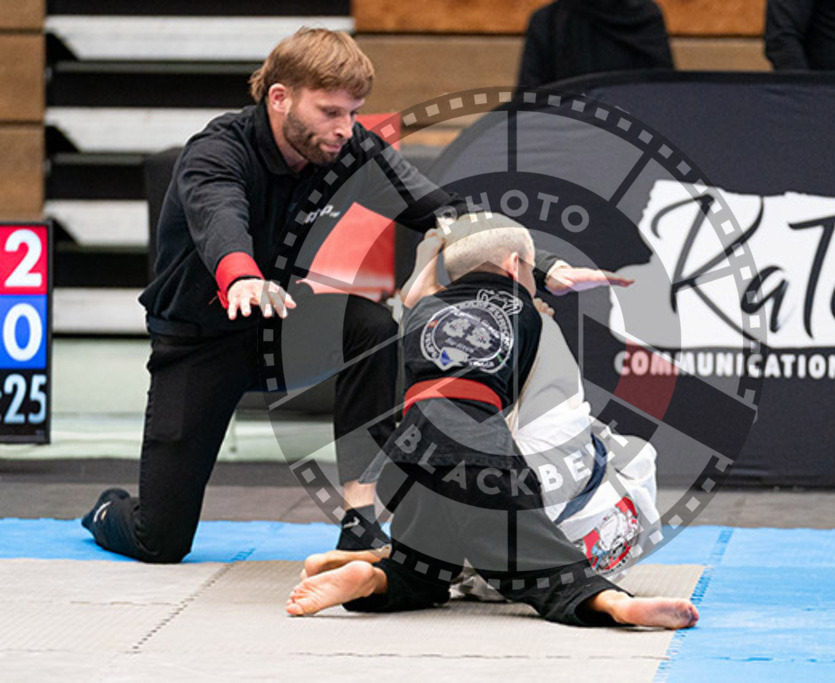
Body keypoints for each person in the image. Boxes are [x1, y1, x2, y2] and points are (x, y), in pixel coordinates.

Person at [80, 28, 631, 564]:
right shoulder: (216, 153)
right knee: (162, 541)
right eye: (331, 112)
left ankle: (359, 519)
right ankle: (108, 512)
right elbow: (219, 218)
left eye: (354, 111)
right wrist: (242, 276)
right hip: (201, 339)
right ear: (280, 98)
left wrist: (543, 265)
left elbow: (446, 213)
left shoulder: (350, 150)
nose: (347, 127)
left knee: (370, 328)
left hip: (286, 324)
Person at [284, 213, 697, 629]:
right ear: (515, 266)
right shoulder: (529, 313)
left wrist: (430, 252)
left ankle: (373, 577)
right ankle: (613, 603)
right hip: (476, 449)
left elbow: (414, 292)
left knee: (424, 570)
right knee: (539, 561)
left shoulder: (423, 306)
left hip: (406, 455)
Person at [517, 0, 674, 88]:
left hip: (632, 138)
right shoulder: (548, 22)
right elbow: (528, 103)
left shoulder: (645, 18)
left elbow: (665, 96)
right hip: (563, 138)